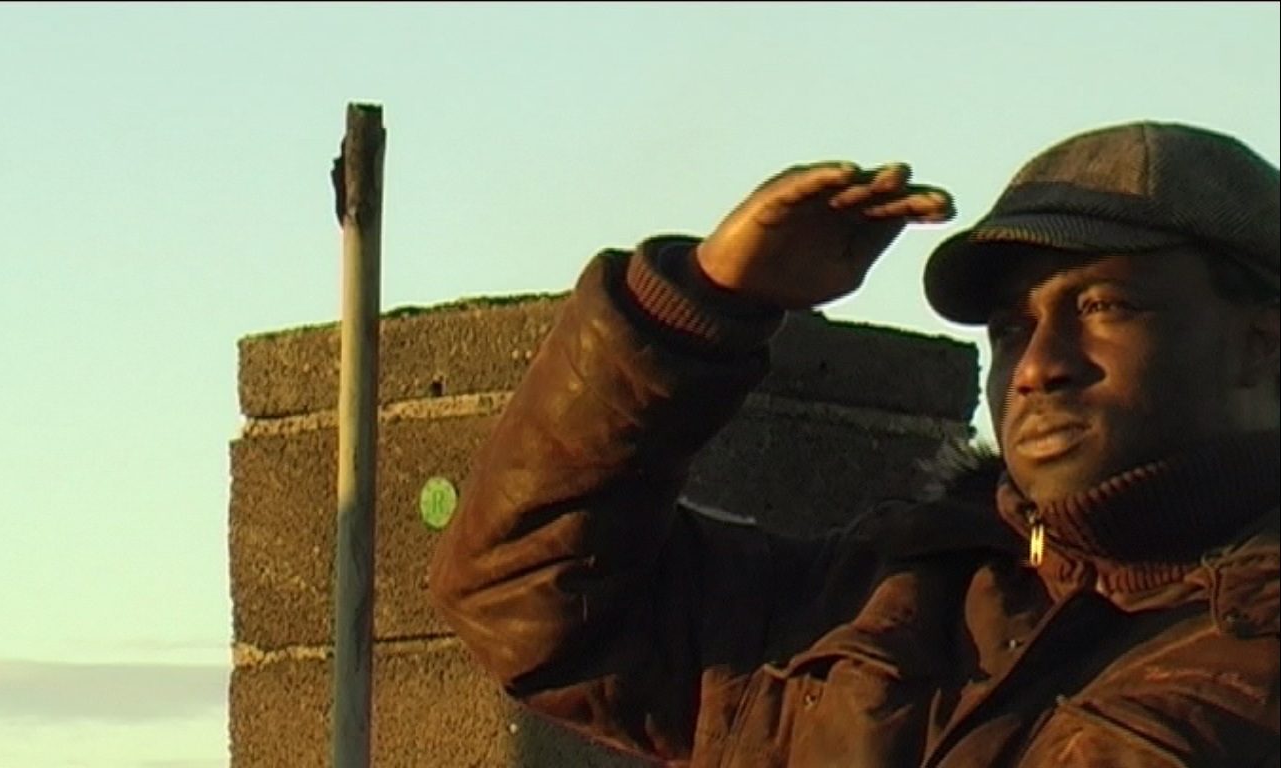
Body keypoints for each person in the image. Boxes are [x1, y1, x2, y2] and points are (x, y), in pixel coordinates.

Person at [427, 121, 1280, 767]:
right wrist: (699, 307)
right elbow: (523, 592)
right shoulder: (873, 598)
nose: (1036, 368)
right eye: (1010, 329)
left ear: (1261, 346)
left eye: (1104, 307)